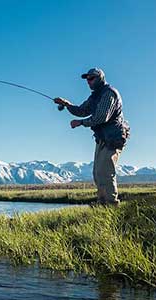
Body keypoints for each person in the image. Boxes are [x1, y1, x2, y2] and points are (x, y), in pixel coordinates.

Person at [54, 68, 130, 206]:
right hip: (103, 138)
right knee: (97, 173)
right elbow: (81, 110)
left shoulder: (109, 94)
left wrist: (81, 123)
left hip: (114, 138)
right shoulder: (95, 96)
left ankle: (112, 205)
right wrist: (66, 104)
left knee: (106, 172)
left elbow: (101, 117)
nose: (88, 82)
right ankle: (102, 204)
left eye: (91, 78)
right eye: (87, 79)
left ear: (100, 78)